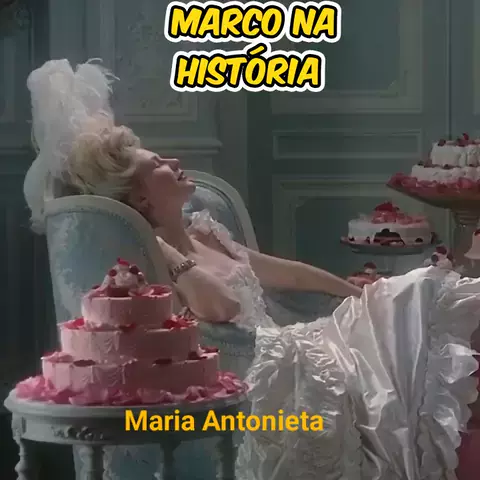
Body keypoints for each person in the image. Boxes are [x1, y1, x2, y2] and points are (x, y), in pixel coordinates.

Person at [23, 60, 480, 480]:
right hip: (266, 366)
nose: (175, 162)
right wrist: (162, 247)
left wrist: (354, 294)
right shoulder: (157, 262)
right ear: (142, 198)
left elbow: (288, 273)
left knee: (412, 296)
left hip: (305, 339)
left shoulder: (207, 230)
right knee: (414, 309)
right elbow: (221, 309)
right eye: (158, 164)